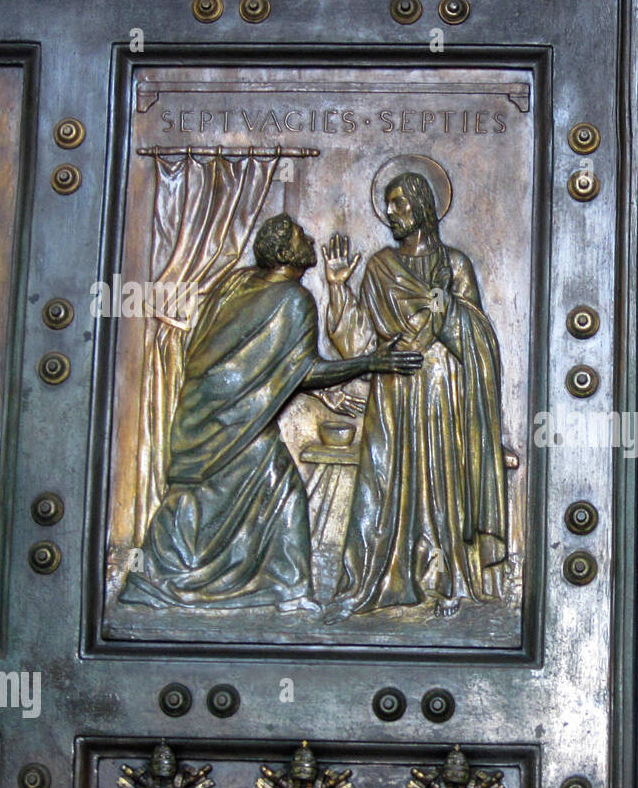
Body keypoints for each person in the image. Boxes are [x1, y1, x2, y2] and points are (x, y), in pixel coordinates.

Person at [119, 213, 421, 611]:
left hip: (204, 410)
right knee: (264, 492)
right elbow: (306, 372)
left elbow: (207, 347)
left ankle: (275, 589)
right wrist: (371, 362)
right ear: (284, 251)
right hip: (239, 420)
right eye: (300, 236)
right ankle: (172, 582)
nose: (310, 239)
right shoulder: (294, 300)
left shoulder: (235, 284)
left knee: (213, 495)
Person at [323, 170, 508, 619]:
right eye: (387, 204)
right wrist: (336, 286)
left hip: (443, 394)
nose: (391, 213)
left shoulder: (455, 265)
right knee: (386, 485)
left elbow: (479, 340)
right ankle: (386, 576)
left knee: (441, 484)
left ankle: (447, 577)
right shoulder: (381, 267)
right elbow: (360, 343)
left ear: (423, 206)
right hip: (393, 391)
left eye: (399, 203)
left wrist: (447, 314)